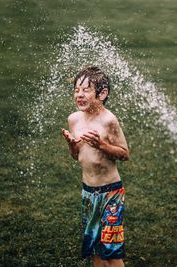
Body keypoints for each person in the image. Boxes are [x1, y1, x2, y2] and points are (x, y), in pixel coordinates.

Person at [62, 66, 129, 267]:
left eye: (86, 90)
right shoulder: (74, 119)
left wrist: (102, 145)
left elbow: (124, 154)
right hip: (88, 194)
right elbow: (77, 157)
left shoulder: (108, 120)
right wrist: (72, 146)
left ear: (102, 93)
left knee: (111, 251)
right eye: (76, 90)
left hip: (111, 193)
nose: (79, 95)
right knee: (95, 248)